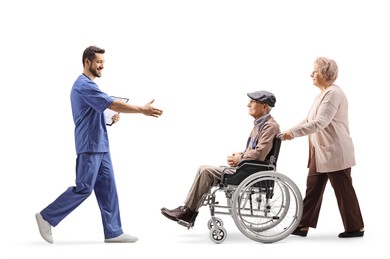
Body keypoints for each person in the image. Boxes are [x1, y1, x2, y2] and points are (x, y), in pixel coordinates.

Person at [35, 46, 163, 244]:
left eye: (103, 62)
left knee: (108, 187)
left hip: (101, 144)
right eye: (98, 62)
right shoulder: (83, 85)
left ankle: (113, 232)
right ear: (87, 62)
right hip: (90, 145)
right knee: (84, 188)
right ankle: (46, 217)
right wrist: (142, 110)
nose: (102, 66)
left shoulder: (89, 85)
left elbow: (98, 110)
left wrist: (109, 117)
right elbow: (110, 103)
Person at [161, 91, 280, 226]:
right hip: (248, 168)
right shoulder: (261, 124)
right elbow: (255, 150)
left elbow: (260, 154)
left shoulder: (270, 126)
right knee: (203, 168)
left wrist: (240, 158)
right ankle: (187, 211)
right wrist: (239, 155)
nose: (248, 105)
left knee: (206, 171)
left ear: (264, 106)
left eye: (253, 102)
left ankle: (188, 212)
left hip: (252, 172)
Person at [279, 57, 364, 238]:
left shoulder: (333, 94)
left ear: (325, 74)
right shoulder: (322, 94)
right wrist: (289, 131)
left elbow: (320, 123)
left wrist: (293, 133)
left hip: (335, 152)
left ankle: (356, 227)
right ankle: (302, 224)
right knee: (313, 187)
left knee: (343, 190)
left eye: (315, 71)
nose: (311, 74)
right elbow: (309, 120)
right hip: (320, 152)